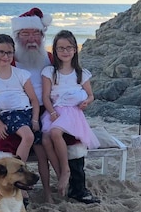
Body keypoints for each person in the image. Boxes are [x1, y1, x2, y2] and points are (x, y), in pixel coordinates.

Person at [9, 7, 100, 204]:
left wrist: (82, 100)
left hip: (56, 112)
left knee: (75, 144)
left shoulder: (51, 59)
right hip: (22, 114)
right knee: (9, 146)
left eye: (36, 33)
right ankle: (16, 192)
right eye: (25, 34)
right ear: (17, 36)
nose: (31, 39)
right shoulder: (10, 60)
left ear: (43, 36)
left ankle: (77, 188)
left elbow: (77, 86)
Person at [0, 34, 51, 202]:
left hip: (26, 113)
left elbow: (33, 99)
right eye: (1, 52)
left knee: (41, 150)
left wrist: (34, 119)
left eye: (9, 53)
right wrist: (0, 125)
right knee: (28, 136)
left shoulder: (20, 74)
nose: (5, 56)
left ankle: (47, 192)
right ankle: (20, 178)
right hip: (8, 116)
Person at [41, 30, 100, 197]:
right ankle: (60, 174)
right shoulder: (49, 72)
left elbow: (90, 95)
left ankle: (66, 170)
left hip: (73, 113)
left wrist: (86, 102)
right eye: (61, 48)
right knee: (45, 139)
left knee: (55, 132)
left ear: (75, 49)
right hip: (55, 111)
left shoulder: (80, 73)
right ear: (55, 50)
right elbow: (46, 96)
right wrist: (51, 112)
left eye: (69, 47)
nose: (65, 51)